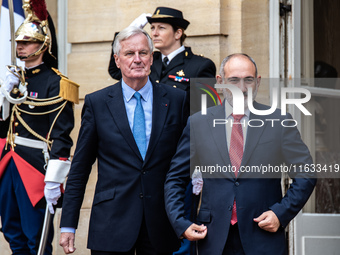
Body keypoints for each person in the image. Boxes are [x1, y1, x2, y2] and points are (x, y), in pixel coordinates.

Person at [164, 53, 317, 255]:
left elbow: (306, 173)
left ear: (258, 82)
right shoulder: (199, 123)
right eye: (234, 80)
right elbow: (175, 178)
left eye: (249, 80)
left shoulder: (279, 121)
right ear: (220, 82)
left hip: (263, 236)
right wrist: (180, 222)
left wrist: (280, 214)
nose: (242, 87)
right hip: (212, 237)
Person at [59, 26, 189, 255]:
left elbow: (187, 161)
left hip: (160, 225)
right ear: (117, 60)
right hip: (111, 224)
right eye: (129, 54)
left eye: (143, 53)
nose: (137, 60)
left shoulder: (177, 100)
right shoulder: (97, 103)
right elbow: (80, 168)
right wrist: (68, 224)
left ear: (152, 58)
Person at [0, 1, 78, 254]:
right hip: (8, 162)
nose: (20, 46)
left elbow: (61, 135)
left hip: (35, 167)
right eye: (18, 42)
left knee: (37, 237)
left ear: (43, 45)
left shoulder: (57, 83)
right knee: (12, 232)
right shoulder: (14, 79)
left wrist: (55, 179)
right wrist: (5, 94)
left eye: (27, 42)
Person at [108, 7, 216, 92]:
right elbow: (115, 71)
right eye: (152, 28)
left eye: (161, 28)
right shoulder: (149, 60)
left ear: (178, 33)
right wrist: (126, 34)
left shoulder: (200, 66)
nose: (154, 33)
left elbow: (203, 112)